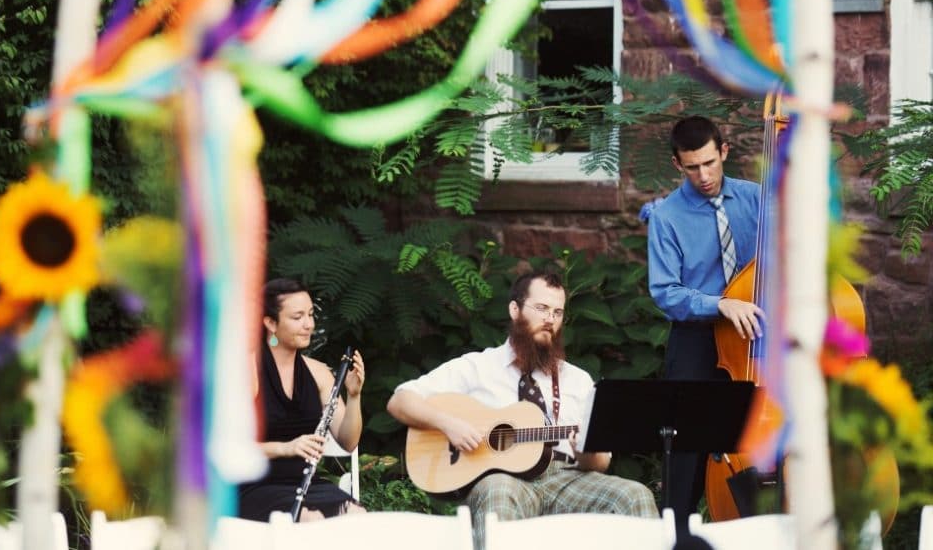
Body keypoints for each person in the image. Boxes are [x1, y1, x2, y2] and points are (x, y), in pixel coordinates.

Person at [387, 270, 658, 549]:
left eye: (557, 312)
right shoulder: (477, 367)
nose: (550, 319)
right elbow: (400, 401)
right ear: (514, 310)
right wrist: (448, 424)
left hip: (565, 478)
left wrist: (585, 451)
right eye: (541, 308)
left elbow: (600, 464)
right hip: (503, 481)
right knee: (498, 489)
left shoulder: (577, 380)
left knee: (634, 495)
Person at [645, 116, 766, 531]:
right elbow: (665, 292)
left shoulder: (755, 199)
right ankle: (678, 535)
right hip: (696, 340)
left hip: (752, 339)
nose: (704, 176)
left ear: (724, 152)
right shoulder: (667, 216)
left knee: (756, 437)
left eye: (710, 163)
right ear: (677, 164)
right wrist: (721, 305)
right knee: (686, 456)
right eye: (693, 167)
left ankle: (759, 529)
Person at [237, 278, 367, 522]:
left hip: (305, 484)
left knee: (356, 516)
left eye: (310, 314)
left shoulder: (319, 373)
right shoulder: (246, 371)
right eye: (297, 317)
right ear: (270, 323)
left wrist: (354, 395)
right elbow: (229, 446)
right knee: (311, 520)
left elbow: (348, 441)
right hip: (254, 487)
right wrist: (286, 448)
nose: (309, 324)